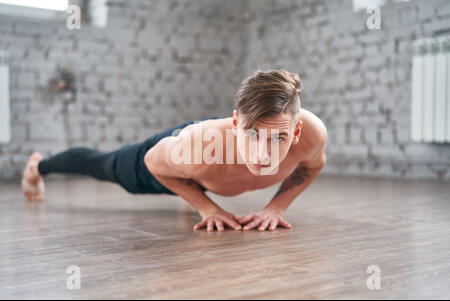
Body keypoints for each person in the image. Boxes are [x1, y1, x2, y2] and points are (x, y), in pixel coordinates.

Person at [22, 69, 328, 232]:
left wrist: (276, 207)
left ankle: (194, 185)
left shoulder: (311, 135)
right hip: (172, 154)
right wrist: (208, 208)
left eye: (278, 138)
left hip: (200, 164)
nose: (263, 155)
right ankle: (38, 166)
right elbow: (152, 162)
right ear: (236, 123)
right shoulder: (198, 148)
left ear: (296, 131)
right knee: (103, 165)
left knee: (197, 168)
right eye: (252, 134)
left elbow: (312, 166)